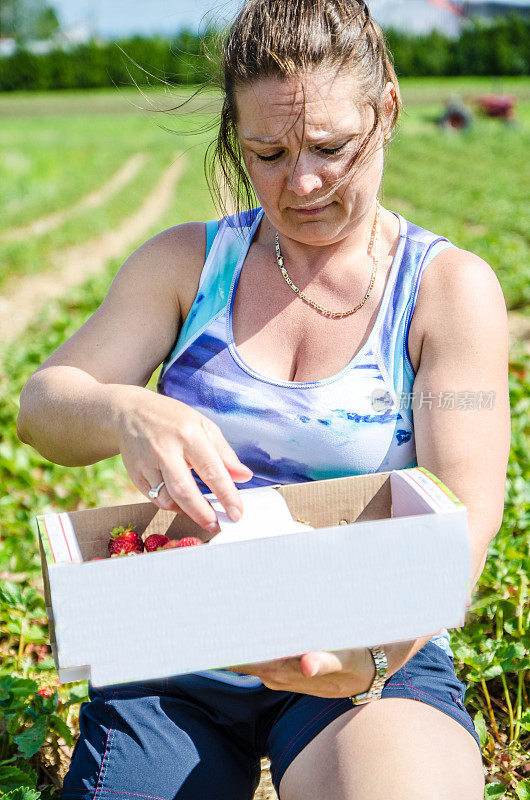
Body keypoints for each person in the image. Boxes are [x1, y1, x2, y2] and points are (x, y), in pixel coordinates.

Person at [18, 1, 510, 798]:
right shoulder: (187, 265)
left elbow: (466, 516)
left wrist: (370, 653)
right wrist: (125, 410)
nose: (303, 182)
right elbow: (43, 406)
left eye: (329, 148)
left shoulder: (445, 290)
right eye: (268, 153)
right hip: (178, 643)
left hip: (367, 642)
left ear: (386, 110)